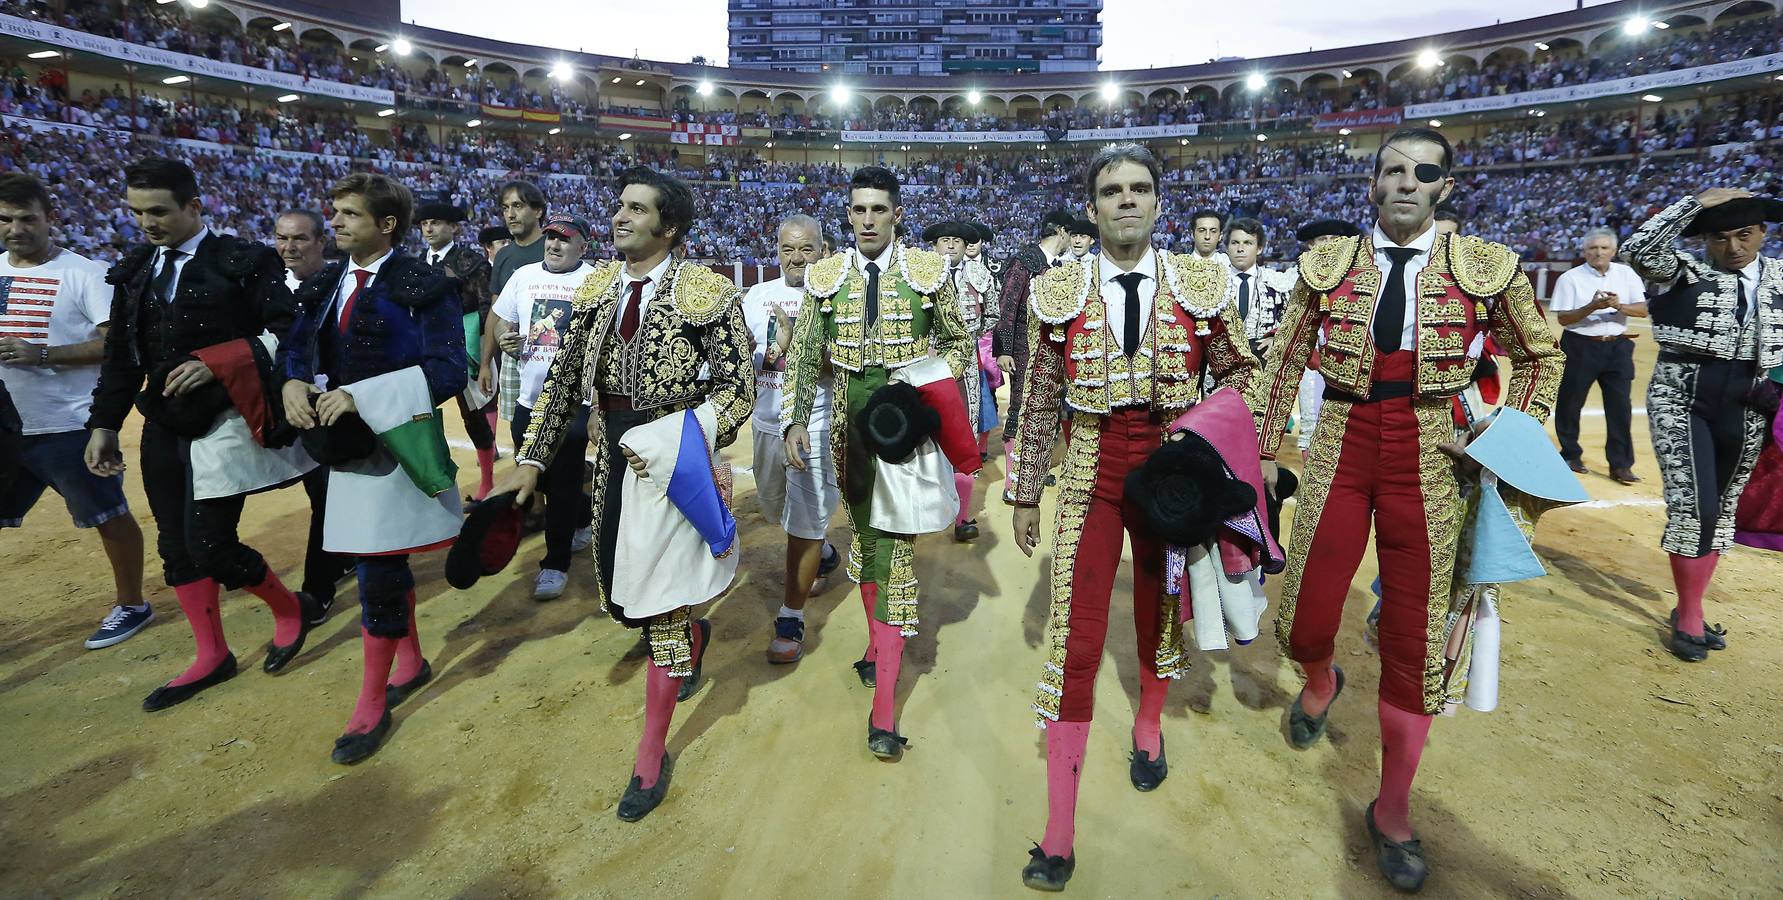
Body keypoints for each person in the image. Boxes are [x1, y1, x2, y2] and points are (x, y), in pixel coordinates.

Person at [1248, 128, 1563, 892]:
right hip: (1340, 441)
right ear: (1372, 183)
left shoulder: (1484, 268)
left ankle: (1392, 809)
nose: (1405, 183)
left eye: (1422, 174)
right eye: (1392, 170)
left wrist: (1498, 436)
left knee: (1416, 639)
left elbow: (1541, 353)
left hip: (1430, 448)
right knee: (1304, 619)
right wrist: (1261, 448)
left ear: (1443, 188)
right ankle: (1320, 679)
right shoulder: (1327, 264)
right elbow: (1285, 354)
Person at [1008, 144, 1265, 892]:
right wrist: (1025, 489)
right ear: (1090, 209)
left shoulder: (1199, 283)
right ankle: (1059, 831)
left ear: (1158, 202)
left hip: (1168, 468)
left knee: (1160, 608)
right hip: (1088, 466)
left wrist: (1200, 442)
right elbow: (1041, 396)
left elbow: (1242, 373)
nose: (1127, 200)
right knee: (1077, 631)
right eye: (1111, 191)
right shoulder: (1056, 291)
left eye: (1140, 188)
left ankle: (1147, 726)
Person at [494, 166, 752, 822]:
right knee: (628, 591)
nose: (618, 217)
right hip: (611, 457)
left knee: (662, 606)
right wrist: (531, 460)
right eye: (619, 206)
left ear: (668, 226)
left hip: (674, 460)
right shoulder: (598, 285)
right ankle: (690, 636)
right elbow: (559, 382)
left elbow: (736, 387)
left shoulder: (707, 291)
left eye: (635, 209)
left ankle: (649, 751)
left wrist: (684, 438)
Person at [85, 157, 323, 711]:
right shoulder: (135, 267)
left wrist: (222, 359)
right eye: (137, 212)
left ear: (194, 207)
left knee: (210, 543)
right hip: (163, 421)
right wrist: (103, 424)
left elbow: (291, 332)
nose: (147, 222)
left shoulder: (245, 261)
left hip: (227, 419)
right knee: (175, 546)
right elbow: (122, 355)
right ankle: (211, 653)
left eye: (159, 211)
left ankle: (289, 608)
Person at [782, 166, 971, 761]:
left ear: (897, 215)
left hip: (903, 431)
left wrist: (922, 385)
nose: (867, 219)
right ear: (849, 214)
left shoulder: (927, 273)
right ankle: (874, 650)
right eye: (858, 209)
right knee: (864, 540)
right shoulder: (826, 277)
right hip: (847, 429)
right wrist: (792, 418)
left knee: (890, 556)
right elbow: (807, 355)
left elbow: (960, 341)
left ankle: (884, 708)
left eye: (877, 210)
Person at [281, 172, 465, 764]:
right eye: (334, 212)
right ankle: (408, 663)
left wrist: (366, 396)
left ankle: (370, 701)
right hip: (339, 445)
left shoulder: (425, 285)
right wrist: (288, 379)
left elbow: (448, 369)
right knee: (375, 559)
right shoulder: (329, 278)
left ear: (386, 225)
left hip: (395, 444)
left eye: (349, 215)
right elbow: (297, 342)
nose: (333, 222)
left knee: (376, 569)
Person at [1619, 189, 1783, 662]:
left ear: (1763, 233)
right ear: (1705, 240)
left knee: (1723, 507)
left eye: (1744, 236)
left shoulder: (1779, 277)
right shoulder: (1685, 271)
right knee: (1696, 508)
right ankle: (1689, 614)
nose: (1732, 248)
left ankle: (1690, 605)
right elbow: (1639, 250)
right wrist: (1694, 202)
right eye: (1719, 238)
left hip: (1749, 401)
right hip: (1680, 398)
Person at [0, 172, 150, 649]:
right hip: (7, 426)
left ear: (51, 219)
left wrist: (41, 354)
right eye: (5, 219)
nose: (15, 229)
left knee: (108, 515)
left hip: (71, 425)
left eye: (27, 219)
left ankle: (132, 604)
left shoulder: (85, 273)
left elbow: (118, 343)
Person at [743, 214, 841, 664]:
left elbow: (839, 367)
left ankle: (791, 615)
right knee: (775, 510)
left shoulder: (836, 297)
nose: (796, 258)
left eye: (806, 249)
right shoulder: (757, 297)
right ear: (776, 250)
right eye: (788, 249)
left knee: (801, 523)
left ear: (822, 250)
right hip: (764, 423)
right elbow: (743, 358)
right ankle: (822, 549)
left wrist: (792, 343)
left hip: (814, 425)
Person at [485, 213, 597, 601]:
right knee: (540, 477)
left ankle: (555, 562)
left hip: (572, 402)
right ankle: (584, 516)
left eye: (564, 240)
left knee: (562, 484)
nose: (554, 244)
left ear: (583, 246)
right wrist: (505, 339)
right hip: (528, 399)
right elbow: (502, 322)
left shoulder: (595, 282)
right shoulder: (525, 275)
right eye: (550, 237)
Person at [1548, 228, 1647, 483]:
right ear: (1585, 251)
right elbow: (1564, 318)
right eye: (1593, 248)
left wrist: (1618, 306)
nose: (1598, 252)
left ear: (1613, 251)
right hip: (1581, 344)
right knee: (1571, 403)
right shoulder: (1571, 278)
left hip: (1618, 346)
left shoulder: (1627, 274)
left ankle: (1621, 464)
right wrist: (1592, 306)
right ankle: (1570, 453)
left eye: (1604, 248)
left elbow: (1643, 310)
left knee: (1620, 407)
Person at [419, 195, 500, 500]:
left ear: (452, 227)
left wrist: (480, 354)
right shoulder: (417, 262)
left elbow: (485, 306)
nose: (428, 229)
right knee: (421, 412)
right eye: (425, 224)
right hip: (426, 349)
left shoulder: (470, 261)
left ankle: (488, 482)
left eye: (435, 223)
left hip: (465, 346)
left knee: (474, 415)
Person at [993, 209, 1074, 504]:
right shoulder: (1025, 262)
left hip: (1051, 353)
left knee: (1045, 413)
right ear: (1061, 232)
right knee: (1020, 410)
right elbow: (1007, 308)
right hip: (1023, 353)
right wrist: (1002, 350)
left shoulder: (1058, 266)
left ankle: (1031, 474)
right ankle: (1011, 484)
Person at [926, 218, 999, 541]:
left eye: (956, 240)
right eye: (945, 240)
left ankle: (962, 516)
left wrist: (967, 339)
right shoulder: (920, 276)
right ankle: (927, 511)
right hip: (927, 362)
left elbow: (992, 315)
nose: (951, 244)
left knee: (964, 431)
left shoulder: (980, 276)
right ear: (935, 245)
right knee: (925, 436)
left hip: (966, 363)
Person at [1285, 219, 1363, 453]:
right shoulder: (1295, 277)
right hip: (1310, 357)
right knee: (1311, 420)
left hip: (1347, 357)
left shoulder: (1357, 277)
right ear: (1311, 245)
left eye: (1334, 240)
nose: (1329, 245)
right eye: (1323, 240)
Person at [481, 181, 548, 435]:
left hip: (550, 351)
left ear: (538, 211)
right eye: (505, 207)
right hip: (512, 356)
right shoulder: (504, 256)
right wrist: (487, 363)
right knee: (520, 427)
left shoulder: (552, 247)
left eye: (518, 206)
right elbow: (496, 312)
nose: (510, 214)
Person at [1225, 217, 1290, 359]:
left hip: (1263, 361)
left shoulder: (1276, 282)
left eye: (1248, 243)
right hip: (1219, 365)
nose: (1240, 249)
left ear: (1259, 248)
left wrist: (1276, 339)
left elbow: (1290, 321)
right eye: (1235, 243)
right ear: (1227, 248)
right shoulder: (1214, 282)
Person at [274, 209, 328, 292]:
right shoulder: (272, 285)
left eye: (299, 239)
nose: (289, 247)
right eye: (282, 238)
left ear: (321, 242)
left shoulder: (341, 285)